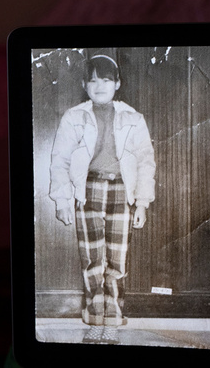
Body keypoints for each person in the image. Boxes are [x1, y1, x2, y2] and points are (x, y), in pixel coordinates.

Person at [48, 51, 156, 345]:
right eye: (93, 81)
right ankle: (95, 319)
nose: (99, 86)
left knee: (116, 261)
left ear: (117, 84)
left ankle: (113, 320)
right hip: (88, 191)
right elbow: (60, 160)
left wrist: (143, 203)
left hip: (123, 191)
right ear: (85, 85)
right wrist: (62, 200)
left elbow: (146, 161)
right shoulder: (75, 117)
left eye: (106, 80)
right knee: (93, 260)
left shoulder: (133, 118)